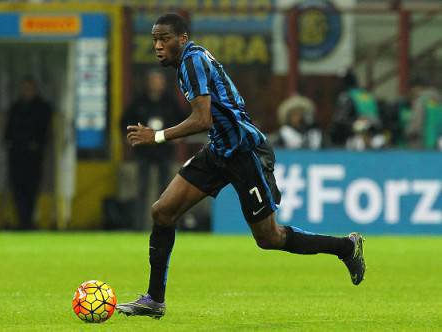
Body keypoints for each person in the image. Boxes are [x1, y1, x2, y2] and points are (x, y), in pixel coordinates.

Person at [116, 13, 366, 319]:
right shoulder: (187, 62)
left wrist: (155, 136)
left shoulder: (192, 62)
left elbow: (202, 119)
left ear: (181, 40)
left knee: (269, 238)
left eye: (164, 39)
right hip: (220, 150)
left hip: (245, 152)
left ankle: (346, 247)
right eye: (154, 39)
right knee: (162, 211)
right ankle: (154, 300)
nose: (157, 46)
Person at [120, 69, 184, 230]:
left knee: (166, 191)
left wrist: (179, 136)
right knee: (141, 189)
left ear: (163, 83)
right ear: (148, 83)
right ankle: (139, 226)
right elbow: (123, 121)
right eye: (153, 81)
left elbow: (184, 120)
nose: (156, 84)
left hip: (164, 151)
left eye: (158, 81)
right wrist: (129, 137)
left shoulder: (170, 102)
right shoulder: (139, 102)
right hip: (144, 152)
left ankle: (165, 224)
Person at [4, 77, 52, 230]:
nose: (26, 91)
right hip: (16, 155)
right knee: (17, 188)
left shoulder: (42, 108)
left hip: (33, 157)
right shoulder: (16, 107)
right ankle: (22, 220)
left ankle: (28, 220)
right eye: (24, 88)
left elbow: (45, 131)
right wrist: (8, 142)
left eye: (29, 88)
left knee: (31, 188)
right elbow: (8, 129)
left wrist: (37, 144)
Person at [329, 70, 385, 149]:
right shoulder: (367, 94)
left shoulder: (347, 96)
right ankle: (373, 141)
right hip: (375, 130)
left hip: (358, 131)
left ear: (345, 83)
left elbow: (339, 119)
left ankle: (359, 140)